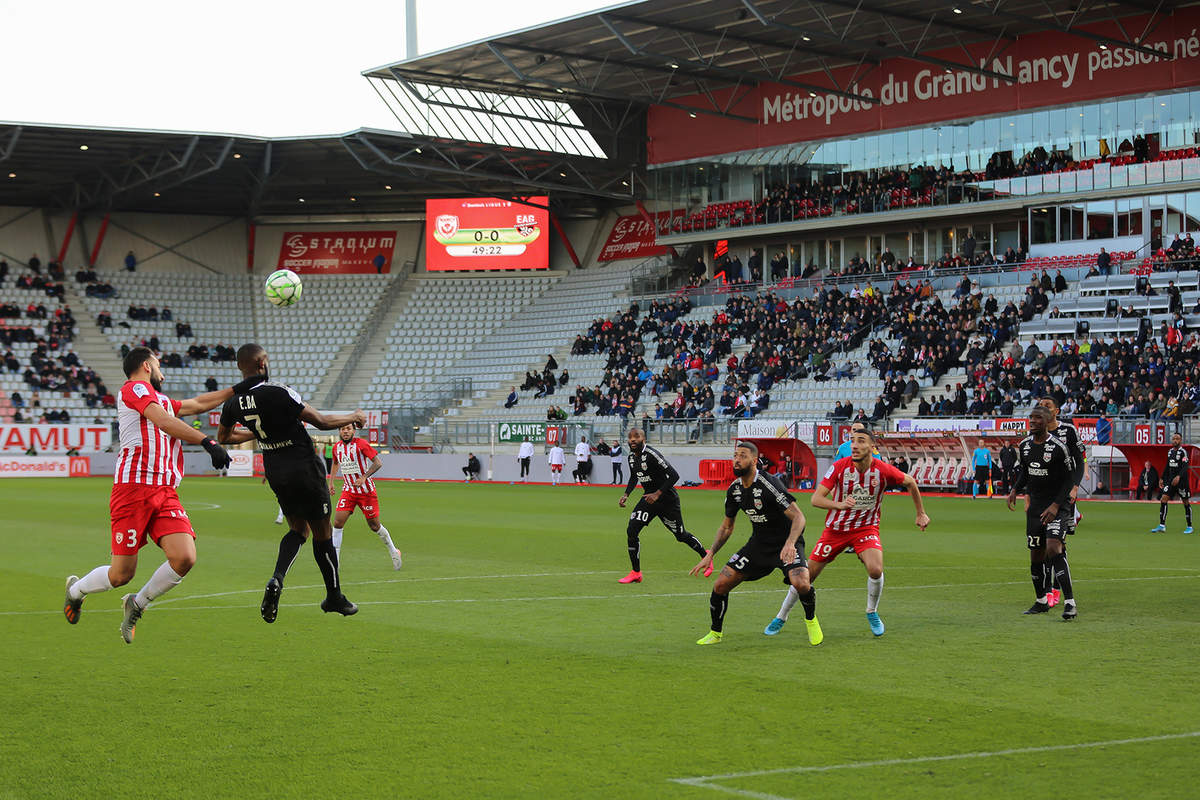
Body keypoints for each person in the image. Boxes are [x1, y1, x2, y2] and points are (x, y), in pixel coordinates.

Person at [62, 346, 234, 644]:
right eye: (158, 364)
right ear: (145, 365)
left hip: (165, 491)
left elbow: (197, 403)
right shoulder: (134, 389)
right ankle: (75, 591)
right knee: (121, 575)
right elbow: (164, 422)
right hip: (133, 490)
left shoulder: (161, 399)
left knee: (184, 557)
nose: (163, 371)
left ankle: (137, 604)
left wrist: (238, 388)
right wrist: (208, 442)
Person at [217, 343, 363, 623]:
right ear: (262, 364)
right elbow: (320, 421)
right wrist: (353, 417)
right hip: (304, 467)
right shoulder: (278, 391)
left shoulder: (233, 403)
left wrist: (257, 436)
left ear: (240, 367)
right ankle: (334, 596)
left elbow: (224, 437)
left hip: (276, 470)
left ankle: (277, 578)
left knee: (298, 529)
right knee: (322, 533)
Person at [766, 428, 928, 638]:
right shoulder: (839, 467)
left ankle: (872, 612)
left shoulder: (883, 470)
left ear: (872, 447)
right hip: (835, 531)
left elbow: (910, 482)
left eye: (861, 441)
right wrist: (839, 505)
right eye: (852, 441)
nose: (855, 445)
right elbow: (816, 499)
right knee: (806, 578)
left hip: (865, 529)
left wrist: (921, 513)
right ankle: (781, 616)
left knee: (875, 569)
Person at [689, 440, 821, 646]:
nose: (737, 460)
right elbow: (726, 527)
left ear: (755, 460)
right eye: (735, 455)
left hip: (786, 543)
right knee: (721, 585)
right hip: (758, 545)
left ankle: (811, 620)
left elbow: (799, 517)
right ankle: (715, 633)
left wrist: (790, 543)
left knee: (802, 583)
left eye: (743, 456)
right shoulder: (734, 490)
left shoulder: (770, 484)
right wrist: (710, 553)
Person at [1007, 406, 1077, 620]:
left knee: (1054, 548)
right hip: (1036, 506)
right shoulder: (1025, 445)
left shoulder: (1058, 447)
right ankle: (1041, 601)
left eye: (1037, 418)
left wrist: (1056, 505)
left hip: (1057, 505)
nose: (1033, 421)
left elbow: (1069, 479)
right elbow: (1027, 472)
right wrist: (1015, 489)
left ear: (1047, 422)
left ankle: (1070, 603)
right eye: (1031, 418)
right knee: (1036, 553)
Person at [617, 428, 710, 584]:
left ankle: (705, 555)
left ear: (643, 439)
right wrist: (626, 494)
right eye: (630, 437)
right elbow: (634, 477)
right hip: (649, 500)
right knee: (632, 530)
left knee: (680, 535)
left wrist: (657, 494)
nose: (633, 440)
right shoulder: (631, 458)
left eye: (636, 436)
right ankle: (636, 573)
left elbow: (674, 475)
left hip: (667, 500)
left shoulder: (652, 455)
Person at [331, 423, 401, 570]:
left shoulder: (361, 444)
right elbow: (335, 463)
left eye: (348, 429)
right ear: (339, 431)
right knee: (337, 523)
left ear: (353, 431)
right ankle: (334, 564)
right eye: (343, 429)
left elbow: (378, 462)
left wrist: (364, 477)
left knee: (374, 526)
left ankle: (394, 551)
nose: (345, 431)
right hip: (348, 490)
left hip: (366, 491)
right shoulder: (337, 447)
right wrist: (331, 482)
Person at [1150, 433, 1192, 534]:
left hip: (1181, 482)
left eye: (1177, 439)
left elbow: (1185, 466)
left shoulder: (1183, 452)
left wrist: (1179, 477)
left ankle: (1189, 526)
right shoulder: (1170, 452)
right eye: (1173, 439)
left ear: (1181, 440)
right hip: (1170, 481)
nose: (1175, 440)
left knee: (1185, 502)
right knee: (1163, 499)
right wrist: (1162, 478)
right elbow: (1168, 466)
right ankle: (1162, 525)